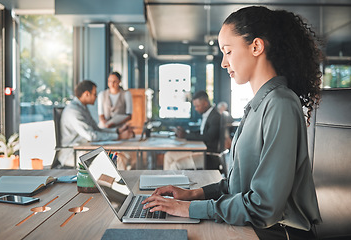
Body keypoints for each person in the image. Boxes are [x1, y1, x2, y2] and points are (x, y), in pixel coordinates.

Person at [143, 6, 322, 240]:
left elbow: (264, 206)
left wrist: (188, 209)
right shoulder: (259, 104)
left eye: (228, 52)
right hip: (254, 227)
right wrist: (192, 195)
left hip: (277, 233)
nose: (223, 63)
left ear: (256, 46)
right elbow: (241, 185)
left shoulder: (280, 104)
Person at [58, 80, 134, 167]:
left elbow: (96, 129)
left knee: (123, 156)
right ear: (87, 94)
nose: (96, 97)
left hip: (84, 149)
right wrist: (119, 136)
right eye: (94, 94)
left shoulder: (83, 108)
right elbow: (91, 136)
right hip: (72, 154)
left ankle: (113, 180)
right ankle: (113, 181)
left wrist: (117, 131)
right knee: (118, 159)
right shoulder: (74, 111)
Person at [163, 91, 221, 170]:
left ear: (205, 103)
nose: (196, 109)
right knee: (168, 156)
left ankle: (173, 182)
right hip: (200, 151)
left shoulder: (215, 117)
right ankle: (167, 182)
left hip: (208, 156)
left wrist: (185, 135)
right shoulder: (207, 115)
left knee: (175, 165)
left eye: (197, 106)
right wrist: (185, 133)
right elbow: (202, 132)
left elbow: (208, 137)